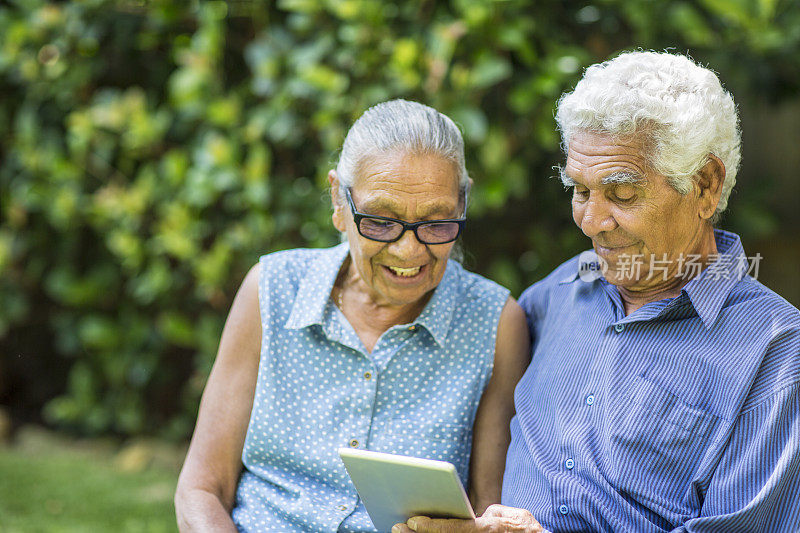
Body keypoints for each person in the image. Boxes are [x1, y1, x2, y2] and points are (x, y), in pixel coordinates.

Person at [395, 52, 800, 532]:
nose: (591, 221)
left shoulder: (775, 351)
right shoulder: (561, 290)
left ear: (705, 185)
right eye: (580, 190)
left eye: (622, 193)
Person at [174, 99, 531, 532]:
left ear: (462, 204)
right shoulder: (273, 287)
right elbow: (202, 487)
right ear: (339, 203)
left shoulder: (495, 322)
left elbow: (485, 506)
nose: (409, 250)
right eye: (381, 221)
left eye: (437, 223)